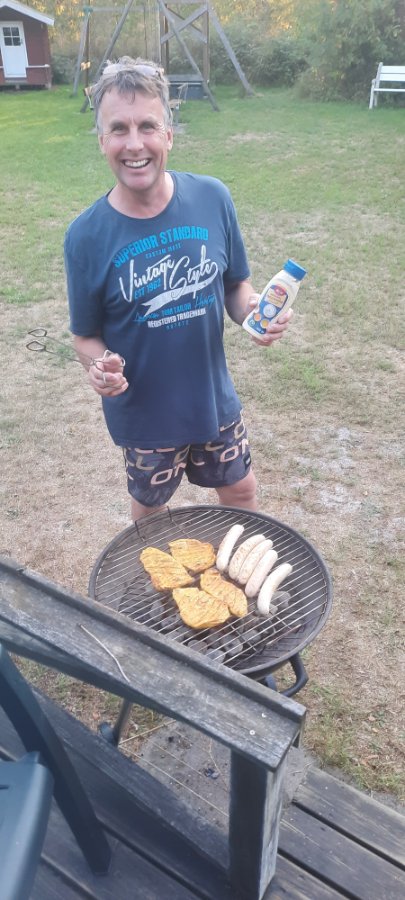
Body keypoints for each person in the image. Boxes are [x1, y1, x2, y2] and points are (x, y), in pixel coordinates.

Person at [64, 56, 292, 523]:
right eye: (118, 129)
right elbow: (85, 336)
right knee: (152, 511)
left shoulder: (212, 197)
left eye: (147, 125)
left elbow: (235, 284)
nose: (134, 144)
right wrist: (99, 368)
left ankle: (236, 569)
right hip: (144, 414)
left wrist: (252, 311)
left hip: (212, 398)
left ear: (168, 134)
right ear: (102, 140)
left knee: (242, 491)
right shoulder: (85, 236)